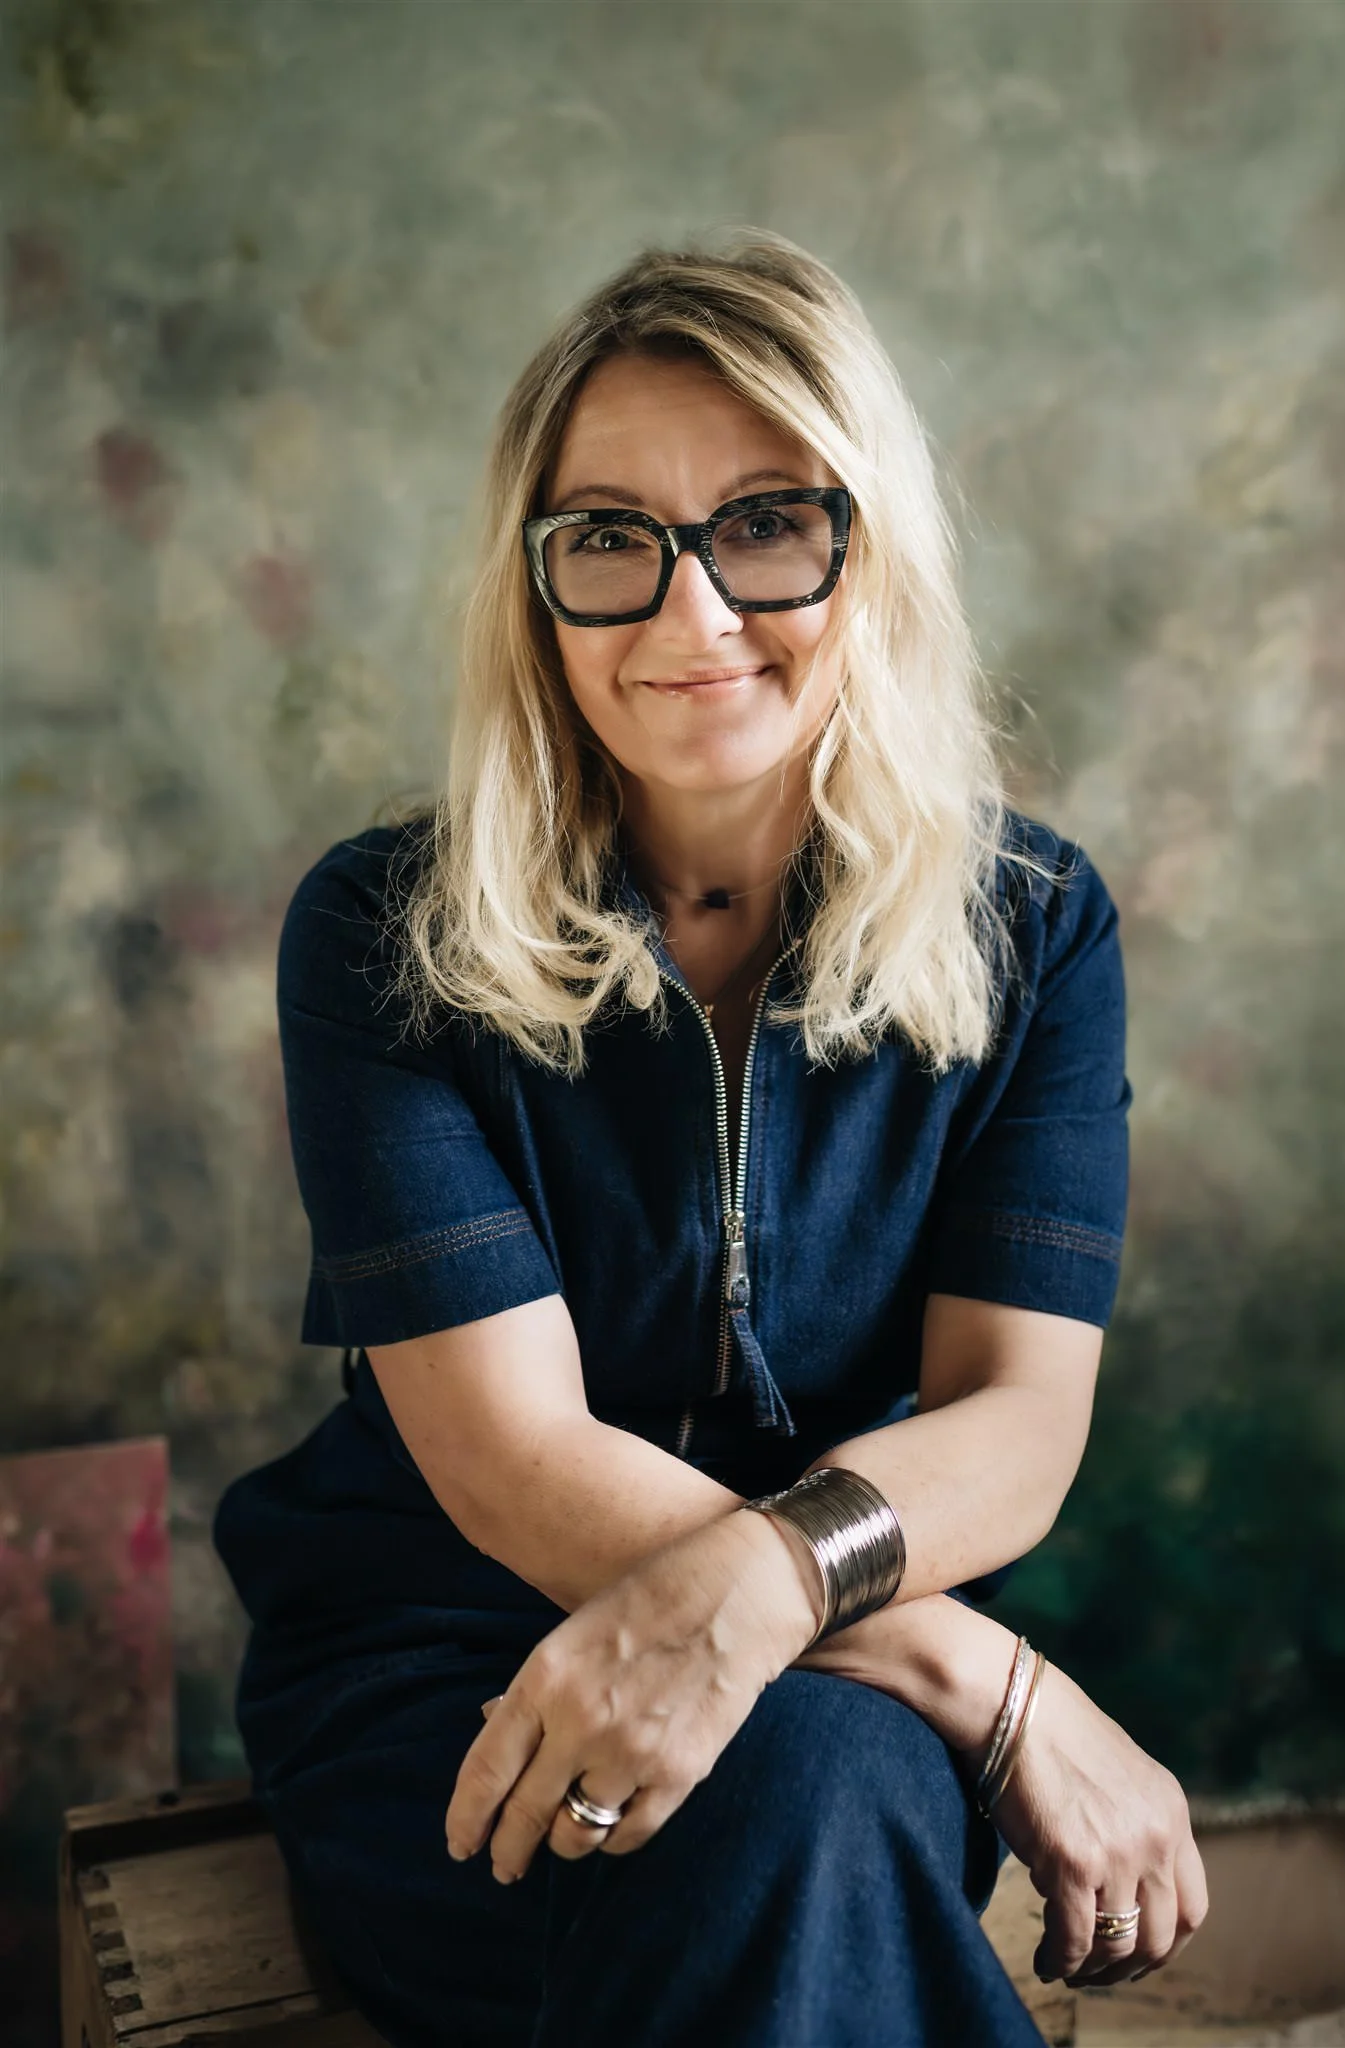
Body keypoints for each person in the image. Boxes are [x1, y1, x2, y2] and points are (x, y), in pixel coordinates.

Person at [213, 230, 1208, 2048]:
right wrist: (982, 1676)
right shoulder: (379, 937)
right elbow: (514, 1466)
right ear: (536, 586)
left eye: (766, 523)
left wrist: (766, 1596)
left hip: (844, 1707)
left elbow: (1020, 1417)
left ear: (871, 546)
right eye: (611, 541)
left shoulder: (1036, 927)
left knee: (809, 1781)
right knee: (812, 1801)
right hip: (455, 1675)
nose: (691, 617)